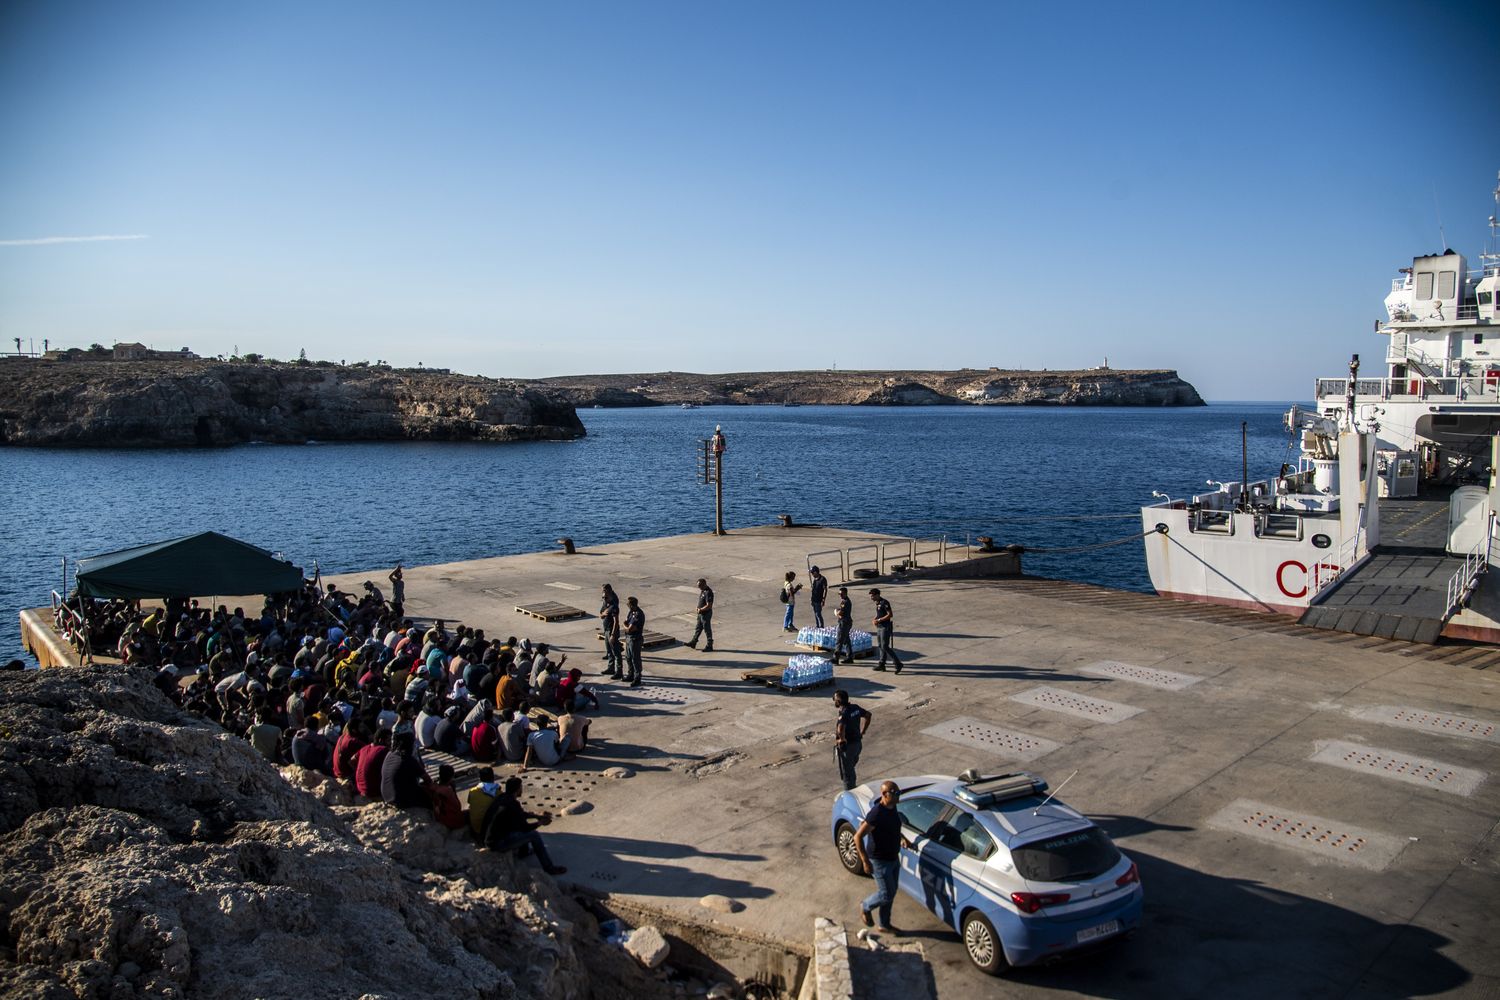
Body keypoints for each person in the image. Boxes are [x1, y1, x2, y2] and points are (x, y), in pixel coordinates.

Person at [480, 776, 567, 875]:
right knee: (534, 835)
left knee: (518, 826)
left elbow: (520, 814)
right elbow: (525, 828)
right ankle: (549, 868)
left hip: (489, 840)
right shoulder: (513, 804)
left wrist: (537, 816)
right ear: (517, 790)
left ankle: (523, 852)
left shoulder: (502, 798)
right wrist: (540, 823)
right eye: (521, 787)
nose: (522, 789)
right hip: (498, 844)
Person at [855, 780, 909, 932]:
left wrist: (902, 838)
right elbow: (857, 837)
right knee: (886, 894)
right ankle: (865, 906)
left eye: (899, 793)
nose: (898, 796)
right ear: (885, 794)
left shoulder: (892, 807)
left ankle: (884, 924)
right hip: (879, 861)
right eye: (895, 793)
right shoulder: (876, 814)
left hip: (893, 858)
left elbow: (892, 827)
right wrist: (865, 861)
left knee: (891, 891)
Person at [381, 732, 431, 809]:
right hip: (400, 800)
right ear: (410, 746)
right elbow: (427, 780)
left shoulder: (389, 754)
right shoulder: (408, 760)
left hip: (386, 795)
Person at [869, 588, 902, 674]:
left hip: (885, 627)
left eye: (872, 596)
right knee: (880, 646)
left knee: (885, 646)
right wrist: (875, 619)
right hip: (879, 627)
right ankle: (882, 664)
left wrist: (879, 620)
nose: (871, 597)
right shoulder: (878, 603)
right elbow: (880, 614)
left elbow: (890, 614)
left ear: (877, 595)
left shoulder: (884, 602)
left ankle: (898, 664)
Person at [429, 763, 466, 829]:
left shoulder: (434, 788)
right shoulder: (448, 791)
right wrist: (454, 791)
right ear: (451, 777)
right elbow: (458, 807)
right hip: (451, 822)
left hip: (440, 819)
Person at [467, 766, 500, 838]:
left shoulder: (472, 791)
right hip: (489, 829)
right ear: (493, 777)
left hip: (476, 827)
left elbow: (469, 803)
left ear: (479, 778)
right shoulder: (498, 793)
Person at [621, 597, 645, 687]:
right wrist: (626, 626)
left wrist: (625, 626)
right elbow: (626, 622)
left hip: (635, 639)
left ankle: (637, 678)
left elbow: (630, 629)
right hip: (629, 638)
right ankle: (630, 675)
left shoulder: (639, 614)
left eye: (628, 604)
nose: (627, 605)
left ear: (631, 605)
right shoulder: (631, 612)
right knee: (628, 657)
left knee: (635, 659)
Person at [598, 584, 622, 677]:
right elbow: (601, 614)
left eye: (605, 597)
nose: (604, 599)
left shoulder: (614, 606)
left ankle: (619, 671)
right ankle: (611, 668)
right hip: (606, 630)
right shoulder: (606, 603)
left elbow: (616, 622)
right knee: (609, 651)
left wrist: (613, 635)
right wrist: (603, 614)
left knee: (616, 653)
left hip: (611, 631)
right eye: (603, 597)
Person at [686, 578, 715, 652]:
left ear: (704, 584)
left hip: (706, 614)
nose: (699, 587)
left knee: (707, 629)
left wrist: (701, 609)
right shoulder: (703, 590)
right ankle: (693, 642)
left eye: (700, 585)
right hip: (701, 614)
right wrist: (698, 607)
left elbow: (709, 605)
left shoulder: (708, 592)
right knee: (698, 628)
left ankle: (709, 645)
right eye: (698, 586)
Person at [832, 586, 855, 665]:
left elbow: (841, 613)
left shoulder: (845, 602)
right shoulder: (844, 601)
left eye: (841, 594)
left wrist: (836, 613)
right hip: (847, 622)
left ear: (845, 593)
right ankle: (850, 657)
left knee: (839, 641)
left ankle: (836, 658)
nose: (840, 595)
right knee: (846, 640)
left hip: (844, 623)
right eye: (839, 594)